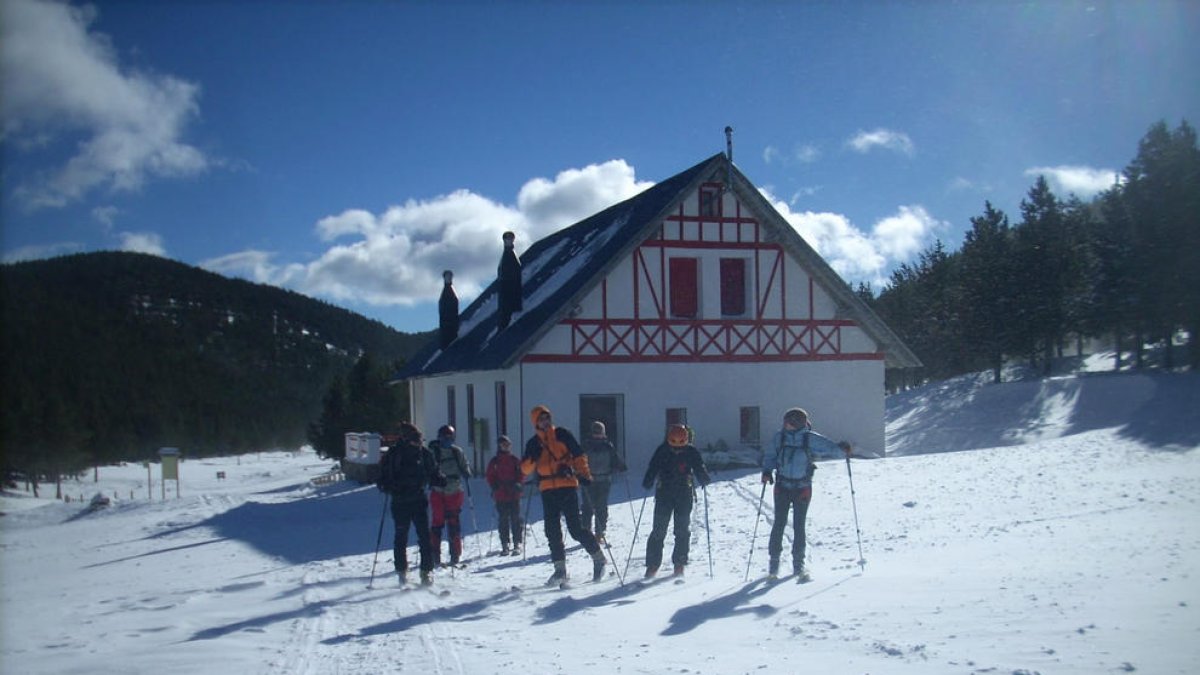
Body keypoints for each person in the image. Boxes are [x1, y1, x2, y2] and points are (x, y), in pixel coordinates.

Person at [761, 407, 853, 581]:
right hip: (782, 486)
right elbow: (770, 455)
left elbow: (830, 448)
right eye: (785, 421)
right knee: (779, 524)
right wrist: (766, 471)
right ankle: (774, 563)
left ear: (797, 423)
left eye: (789, 421)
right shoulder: (779, 438)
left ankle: (798, 564)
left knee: (799, 525)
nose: (786, 424)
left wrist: (843, 449)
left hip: (802, 488)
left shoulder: (809, 438)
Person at [521, 405, 607, 585]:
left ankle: (598, 558)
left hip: (567, 485)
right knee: (552, 530)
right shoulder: (533, 443)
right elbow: (524, 469)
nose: (545, 422)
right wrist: (532, 458)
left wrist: (584, 474)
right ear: (535, 422)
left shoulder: (562, 434)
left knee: (575, 528)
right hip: (546, 489)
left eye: (547, 418)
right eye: (541, 419)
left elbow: (578, 455)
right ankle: (560, 570)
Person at [377, 421, 447, 586]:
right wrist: (388, 486)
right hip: (400, 501)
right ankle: (402, 571)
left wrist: (440, 479)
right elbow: (382, 478)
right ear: (406, 439)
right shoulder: (394, 454)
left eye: (420, 440)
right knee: (401, 536)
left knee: (424, 536)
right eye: (415, 440)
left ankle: (426, 571)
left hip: (418, 499)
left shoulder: (424, 454)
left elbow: (433, 471)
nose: (418, 444)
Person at [642, 423, 711, 578]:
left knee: (681, 530)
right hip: (664, 493)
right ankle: (653, 564)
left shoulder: (691, 451)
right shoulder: (662, 450)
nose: (677, 449)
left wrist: (703, 476)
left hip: (684, 494)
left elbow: (699, 466)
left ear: (686, 440)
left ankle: (679, 562)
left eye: (680, 445)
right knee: (659, 531)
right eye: (673, 445)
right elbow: (653, 467)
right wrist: (648, 479)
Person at [428, 424, 471, 566]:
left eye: (450, 438)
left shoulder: (457, 452)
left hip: (454, 491)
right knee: (437, 522)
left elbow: (465, 466)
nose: (447, 440)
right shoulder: (434, 452)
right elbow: (428, 468)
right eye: (444, 438)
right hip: (438, 491)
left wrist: (466, 472)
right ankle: (435, 554)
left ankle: (455, 554)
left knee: (453, 523)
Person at [580, 420, 627, 545]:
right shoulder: (586, 445)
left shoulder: (608, 446)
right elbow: (579, 459)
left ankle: (599, 533)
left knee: (601, 507)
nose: (597, 435)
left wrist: (621, 466)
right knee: (587, 507)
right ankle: (586, 532)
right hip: (588, 480)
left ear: (603, 433)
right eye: (596, 432)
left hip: (604, 480)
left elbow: (615, 458)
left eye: (599, 433)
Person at [485, 434, 524, 556]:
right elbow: (489, 476)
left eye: (507, 445)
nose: (506, 447)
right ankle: (505, 544)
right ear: (499, 446)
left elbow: (521, 473)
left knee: (515, 518)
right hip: (501, 493)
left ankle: (517, 542)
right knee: (503, 519)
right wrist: (494, 486)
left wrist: (518, 483)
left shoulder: (514, 459)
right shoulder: (495, 461)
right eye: (503, 445)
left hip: (513, 493)